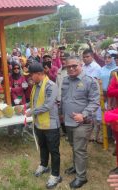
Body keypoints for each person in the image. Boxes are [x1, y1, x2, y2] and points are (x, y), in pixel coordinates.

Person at [61, 56, 100, 188]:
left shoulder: (89, 81)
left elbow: (95, 101)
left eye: (74, 66)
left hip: (83, 123)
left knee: (79, 149)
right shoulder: (65, 80)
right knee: (74, 146)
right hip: (68, 121)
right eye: (68, 66)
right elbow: (64, 99)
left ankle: (81, 177)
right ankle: (76, 167)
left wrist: (83, 115)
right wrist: (62, 113)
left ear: (80, 65)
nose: (71, 69)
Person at [26, 63, 61, 189]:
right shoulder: (36, 86)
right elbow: (34, 102)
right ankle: (44, 165)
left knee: (54, 150)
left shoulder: (51, 86)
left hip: (51, 125)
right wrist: (25, 107)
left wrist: (31, 112)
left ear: (39, 74)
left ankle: (55, 174)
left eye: (31, 75)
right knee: (42, 146)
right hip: (39, 123)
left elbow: (47, 105)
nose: (30, 77)